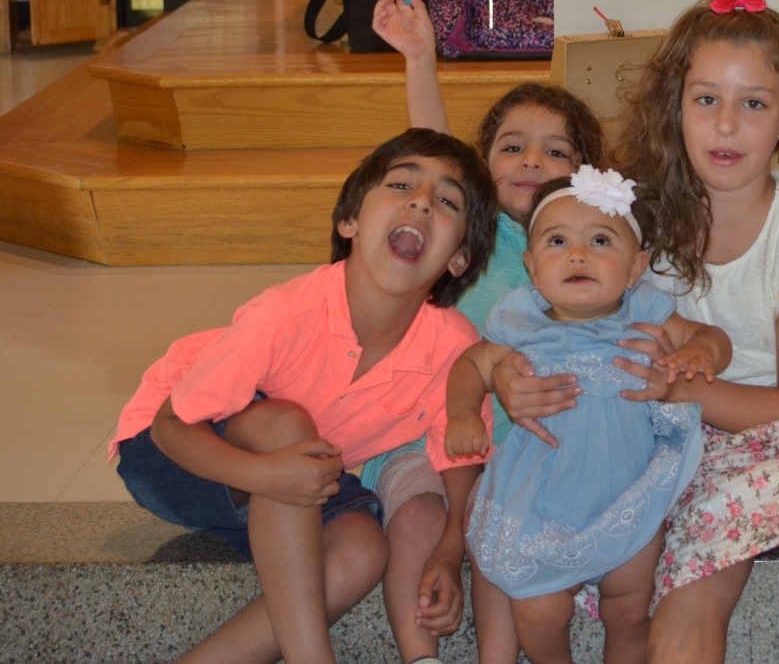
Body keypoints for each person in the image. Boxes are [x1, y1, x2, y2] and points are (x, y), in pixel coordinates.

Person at [493, 0, 779, 664]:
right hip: (683, 442)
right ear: (677, 107)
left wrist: (683, 389)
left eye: (754, 104)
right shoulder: (635, 219)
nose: (726, 126)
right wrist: (507, 373)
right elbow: (557, 297)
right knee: (685, 604)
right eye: (706, 99)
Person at [109, 129, 497, 664]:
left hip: (286, 478)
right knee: (288, 425)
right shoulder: (285, 313)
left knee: (363, 547)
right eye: (401, 184)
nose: (422, 201)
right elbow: (170, 425)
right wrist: (264, 475)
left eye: (447, 201)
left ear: (459, 258)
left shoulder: (454, 350)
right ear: (350, 221)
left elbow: (460, 459)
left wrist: (450, 552)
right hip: (170, 453)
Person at [370, 0, 607, 662]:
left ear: (587, 174)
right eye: (512, 147)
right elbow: (440, 153)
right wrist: (420, 58)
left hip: (522, 450)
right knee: (418, 518)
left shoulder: (597, 250)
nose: (532, 160)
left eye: (556, 151)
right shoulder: (475, 233)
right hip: (434, 431)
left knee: (500, 531)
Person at [446, 167, 730, 664]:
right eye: (557, 242)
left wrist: (702, 351)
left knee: (630, 613)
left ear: (636, 266)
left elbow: (713, 337)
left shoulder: (646, 311)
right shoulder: (519, 319)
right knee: (538, 612)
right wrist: (463, 412)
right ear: (532, 265)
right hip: (541, 500)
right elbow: (472, 364)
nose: (578, 254)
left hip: (629, 497)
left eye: (600, 240)